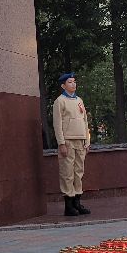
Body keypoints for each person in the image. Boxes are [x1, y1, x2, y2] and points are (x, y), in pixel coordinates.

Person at [52, 72, 91, 216]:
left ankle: (77, 203)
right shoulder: (59, 101)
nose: (73, 84)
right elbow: (57, 124)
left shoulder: (79, 100)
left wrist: (87, 141)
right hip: (68, 141)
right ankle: (68, 206)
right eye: (70, 82)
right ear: (63, 85)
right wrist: (61, 143)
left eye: (74, 81)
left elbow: (85, 121)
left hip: (80, 140)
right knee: (67, 173)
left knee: (78, 173)